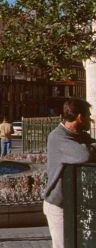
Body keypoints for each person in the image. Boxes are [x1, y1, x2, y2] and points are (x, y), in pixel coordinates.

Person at [44, 98, 96, 248]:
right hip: (57, 204)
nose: (90, 120)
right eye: (88, 115)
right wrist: (90, 148)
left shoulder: (79, 135)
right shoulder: (57, 137)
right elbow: (83, 155)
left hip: (73, 202)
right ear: (80, 117)